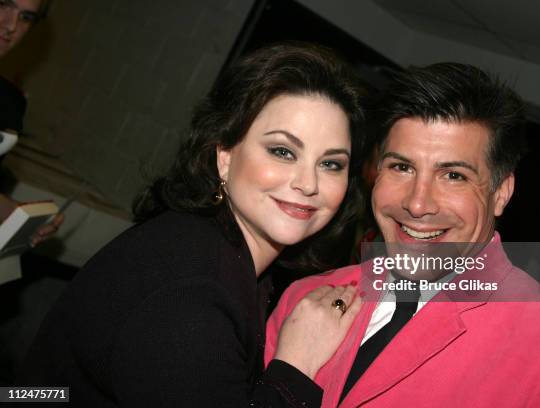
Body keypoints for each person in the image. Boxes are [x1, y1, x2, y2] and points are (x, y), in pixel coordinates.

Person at [16, 43, 367, 407]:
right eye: (282, 151)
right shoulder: (191, 289)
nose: (308, 183)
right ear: (225, 156)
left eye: (331, 164)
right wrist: (297, 365)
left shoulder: (211, 246)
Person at [265, 63, 540, 407]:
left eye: (454, 176)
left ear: (501, 193)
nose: (417, 204)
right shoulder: (306, 299)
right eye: (401, 167)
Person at [1, 0, 62, 243]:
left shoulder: (9, 104)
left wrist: (18, 218)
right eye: (3, 4)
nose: (11, 25)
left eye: (25, 17)